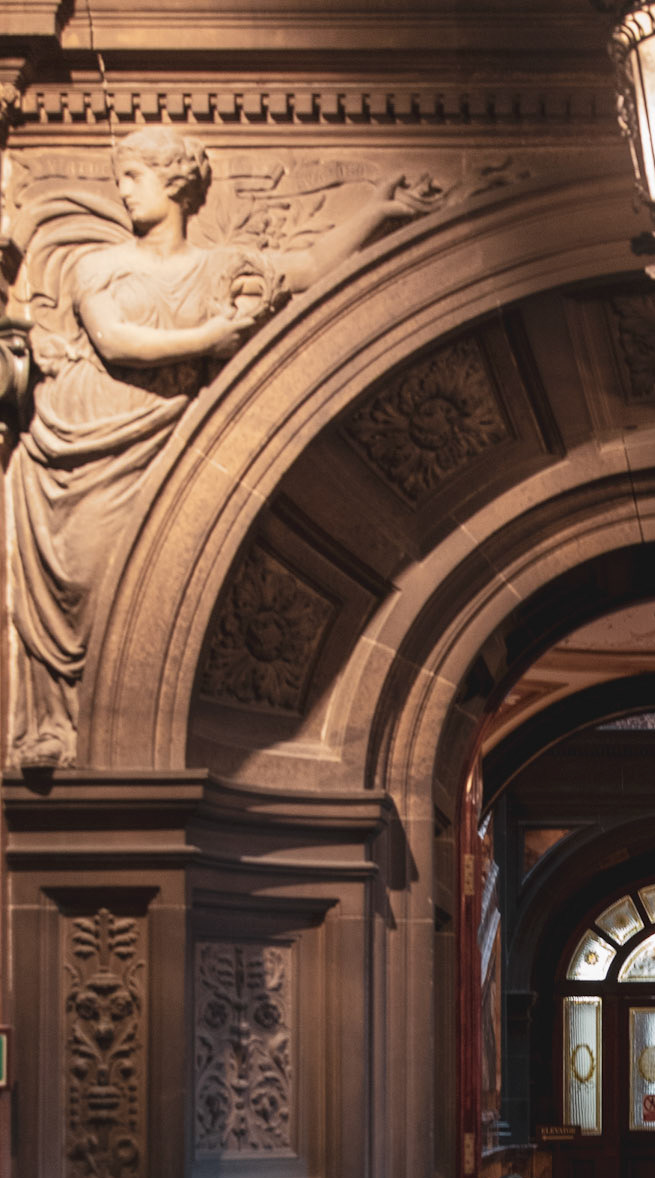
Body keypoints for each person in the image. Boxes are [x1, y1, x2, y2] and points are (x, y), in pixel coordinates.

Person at [7, 122, 443, 767]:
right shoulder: (98, 264)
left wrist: (378, 212)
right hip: (83, 440)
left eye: (135, 176)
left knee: (130, 591)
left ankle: (103, 739)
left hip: (167, 438)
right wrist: (211, 337)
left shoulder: (221, 268)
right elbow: (115, 340)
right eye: (119, 177)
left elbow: (314, 267)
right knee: (80, 583)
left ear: (176, 182)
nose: (123, 191)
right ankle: (63, 728)